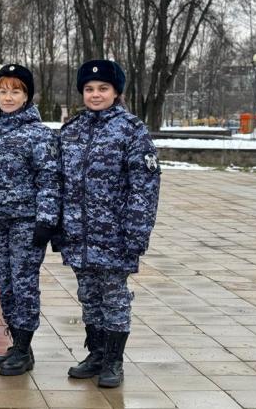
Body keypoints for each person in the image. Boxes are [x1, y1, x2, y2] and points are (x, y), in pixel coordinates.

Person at [56, 59, 160, 388]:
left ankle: (114, 360)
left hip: (115, 235)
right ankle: (97, 353)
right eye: (89, 89)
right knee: (88, 296)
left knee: (114, 296)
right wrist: (59, 225)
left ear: (116, 92)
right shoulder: (71, 131)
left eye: (103, 89)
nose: (96, 94)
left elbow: (145, 187)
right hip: (79, 234)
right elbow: (58, 181)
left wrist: (136, 233)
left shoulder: (132, 130)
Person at [0, 64, 60, 376]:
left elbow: (50, 180)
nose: (9, 97)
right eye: (3, 91)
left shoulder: (40, 136)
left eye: (16, 91)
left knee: (24, 285)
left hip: (26, 223)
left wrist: (46, 221)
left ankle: (24, 347)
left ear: (27, 95)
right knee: (5, 285)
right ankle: (18, 343)